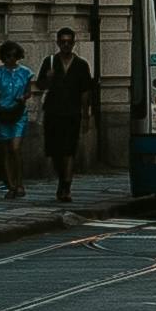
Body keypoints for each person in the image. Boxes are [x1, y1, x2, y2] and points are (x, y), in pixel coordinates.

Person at [38, 24, 99, 217]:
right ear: (57, 43)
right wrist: (48, 79)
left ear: (73, 43)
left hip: (72, 113)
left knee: (69, 150)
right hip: (53, 112)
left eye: (68, 42)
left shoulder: (81, 65)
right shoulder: (50, 62)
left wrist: (86, 114)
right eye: (62, 42)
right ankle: (61, 178)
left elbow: (85, 91)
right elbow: (40, 85)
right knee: (54, 151)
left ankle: (66, 186)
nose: (65, 45)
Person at [0, 31, 35, 199]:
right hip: (2, 113)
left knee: (16, 148)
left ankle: (20, 183)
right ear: (3, 57)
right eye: (7, 56)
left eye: (13, 55)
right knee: (5, 151)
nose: (10, 59)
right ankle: (10, 184)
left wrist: (23, 97)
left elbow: (29, 92)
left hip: (18, 113)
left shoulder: (25, 72)